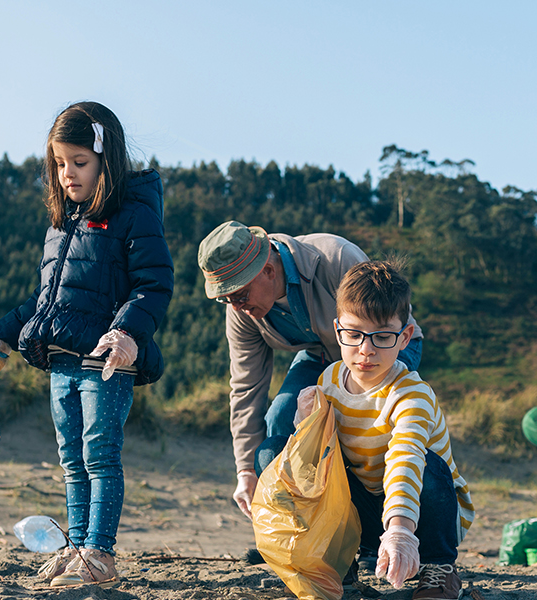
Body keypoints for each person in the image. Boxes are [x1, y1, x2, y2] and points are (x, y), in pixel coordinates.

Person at [0, 102, 172, 587]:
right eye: (59, 164)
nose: (67, 174)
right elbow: (45, 302)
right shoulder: (62, 224)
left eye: (79, 162)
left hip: (106, 362)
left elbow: (154, 284)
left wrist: (126, 332)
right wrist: (0, 334)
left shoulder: (134, 216)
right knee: (72, 461)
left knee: (100, 456)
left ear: (106, 159)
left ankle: (99, 554)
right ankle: (76, 547)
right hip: (60, 362)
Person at [195, 222, 424, 519]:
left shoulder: (336, 258)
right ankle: (306, 523)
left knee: (362, 425)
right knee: (281, 417)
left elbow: (382, 323)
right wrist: (246, 470)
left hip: (382, 345)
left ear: (268, 270)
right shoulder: (241, 311)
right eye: (226, 299)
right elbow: (246, 386)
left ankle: (374, 515)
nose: (236, 306)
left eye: (240, 295)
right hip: (319, 354)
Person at [291, 261, 473, 599]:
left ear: (404, 337)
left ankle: (439, 567)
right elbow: (319, 460)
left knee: (430, 466)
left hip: (424, 512)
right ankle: (340, 562)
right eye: (354, 334)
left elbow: (406, 457)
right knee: (321, 462)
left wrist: (400, 530)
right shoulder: (329, 380)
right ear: (337, 329)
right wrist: (306, 426)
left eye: (383, 336)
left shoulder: (411, 394)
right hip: (369, 508)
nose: (366, 349)